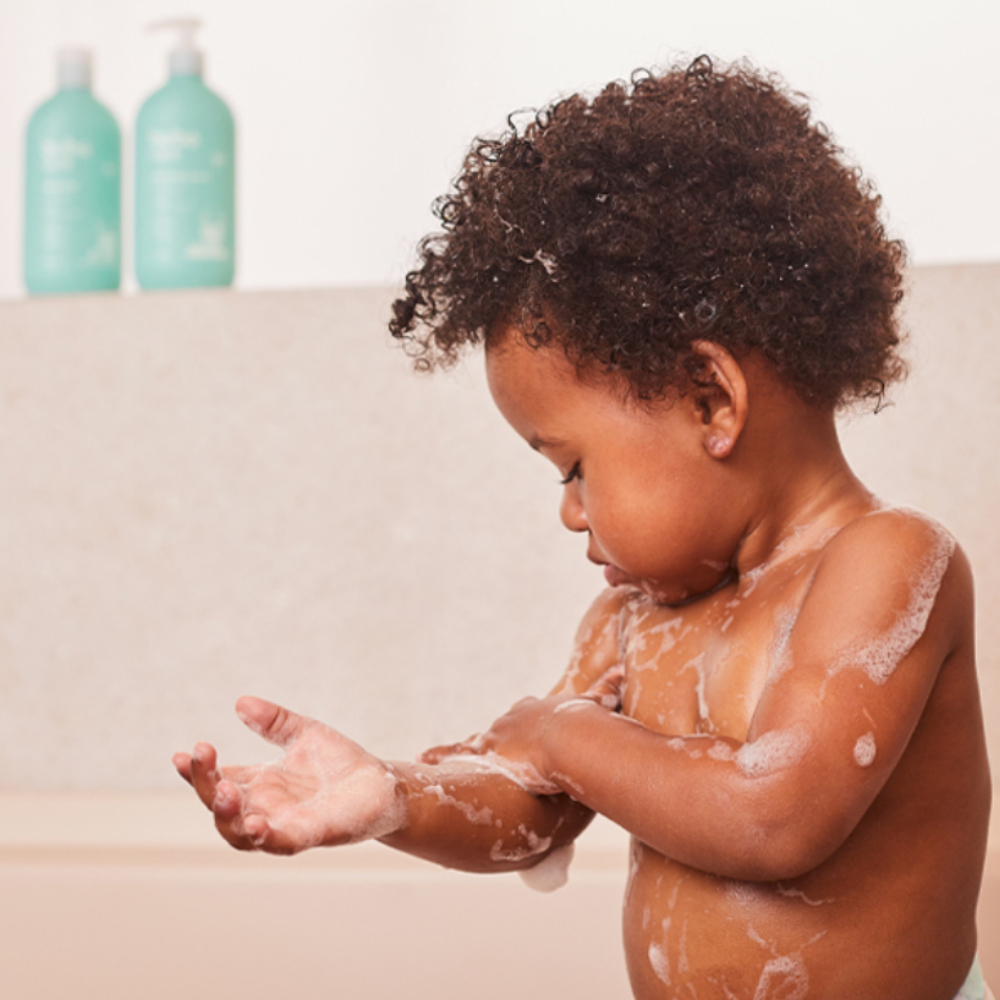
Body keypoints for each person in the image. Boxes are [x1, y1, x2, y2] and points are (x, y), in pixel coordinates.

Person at [174, 57, 993, 999]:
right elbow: (527, 801)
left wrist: (562, 736)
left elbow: (774, 818)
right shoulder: (634, 619)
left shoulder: (886, 565)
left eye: (572, 467)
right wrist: (390, 796)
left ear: (708, 399)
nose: (568, 512)